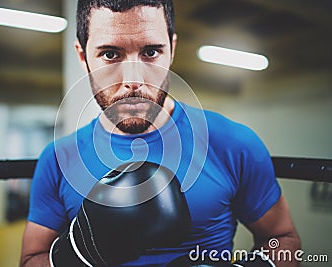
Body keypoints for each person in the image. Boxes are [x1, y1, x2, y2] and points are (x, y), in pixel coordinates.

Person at [20, 0, 301, 266]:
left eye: (150, 52)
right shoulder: (59, 158)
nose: (134, 80)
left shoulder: (232, 144)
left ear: (172, 49)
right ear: (83, 57)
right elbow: (31, 258)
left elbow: (282, 239)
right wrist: (78, 255)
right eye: (110, 54)